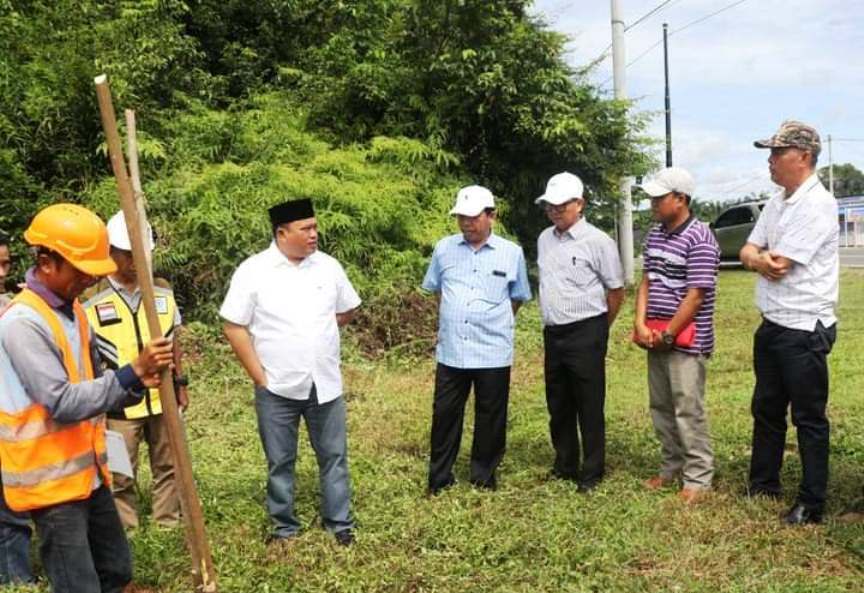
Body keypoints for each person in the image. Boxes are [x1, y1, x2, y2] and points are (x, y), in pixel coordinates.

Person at [0, 203, 173, 592]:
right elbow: (61, 401)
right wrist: (132, 372)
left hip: (88, 470)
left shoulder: (72, 309)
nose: (86, 280)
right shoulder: (22, 323)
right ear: (47, 262)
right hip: (52, 482)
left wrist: (133, 385)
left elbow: (96, 379)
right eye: (80, 271)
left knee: (116, 568)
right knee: (78, 583)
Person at [220, 198, 360, 546]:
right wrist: (260, 377)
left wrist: (319, 335)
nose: (315, 234)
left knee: (334, 455)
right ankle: (284, 528)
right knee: (280, 460)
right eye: (306, 229)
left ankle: (339, 523)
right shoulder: (254, 271)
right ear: (282, 233)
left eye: (315, 227)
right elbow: (233, 325)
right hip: (277, 386)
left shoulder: (328, 267)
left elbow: (347, 309)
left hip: (324, 383)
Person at [740, 120, 838, 525]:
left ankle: (811, 502)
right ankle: (764, 482)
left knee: (808, 416)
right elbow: (750, 250)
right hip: (774, 321)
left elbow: (777, 263)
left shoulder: (818, 204)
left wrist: (760, 259)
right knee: (766, 406)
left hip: (803, 325)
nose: (771, 160)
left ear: (804, 156)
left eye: (778, 152)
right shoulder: (778, 200)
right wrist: (758, 258)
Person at [422, 185, 531, 495]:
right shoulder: (444, 248)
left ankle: (484, 476)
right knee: (444, 415)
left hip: (492, 350)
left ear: (491, 216)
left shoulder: (511, 253)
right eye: (461, 218)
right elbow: (437, 290)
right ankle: (439, 478)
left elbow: (517, 297)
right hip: (452, 350)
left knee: (490, 416)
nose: (466, 224)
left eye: (473, 218)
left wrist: (494, 321)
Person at [84, 211, 188, 529]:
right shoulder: (91, 296)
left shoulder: (162, 289)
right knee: (119, 469)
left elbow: (175, 338)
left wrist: (181, 383)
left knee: (169, 463)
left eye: (141, 254)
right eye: (127, 255)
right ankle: (125, 529)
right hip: (118, 400)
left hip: (162, 394)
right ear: (110, 253)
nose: (134, 262)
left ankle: (166, 522)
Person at [634, 167, 719, 503]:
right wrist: (640, 324)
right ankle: (671, 468)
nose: (653, 203)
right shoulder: (655, 234)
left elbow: (696, 295)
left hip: (686, 340)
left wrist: (668, 333)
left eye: (659, 197)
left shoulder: (700, 238)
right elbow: (646, 281)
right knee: (661, 405)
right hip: (655, 335)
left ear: (681, 199)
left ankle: (698, 478)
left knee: (688, 406)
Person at [536, 172, 624, 492]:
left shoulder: (598, 241)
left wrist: (600, 329)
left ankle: (593, 470)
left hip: (587, 330)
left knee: (589, 403)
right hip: (553, 332)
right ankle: (565, 463)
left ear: (579, 204)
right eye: (550, 206)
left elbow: (616, 290)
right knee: (558, 402)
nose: (555, 211)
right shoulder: (544, 238)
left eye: (561, 205)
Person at [0, 229, 34, 586]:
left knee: (12, 509)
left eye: (6, 264)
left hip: (10, 424)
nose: (1, 273)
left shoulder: (10, 306)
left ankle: (17, 578)